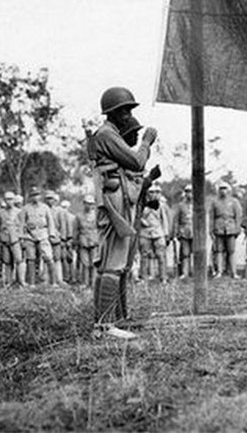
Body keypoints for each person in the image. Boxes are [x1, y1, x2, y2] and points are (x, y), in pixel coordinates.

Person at [90, 86, 157, 325]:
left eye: (130, 110)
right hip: (114, 199)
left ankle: (111, 320)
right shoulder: (107, 134)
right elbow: (137, 162)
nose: (128, 115)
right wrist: (147, 142)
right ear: (112, 112)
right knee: (113, 263)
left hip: (116, 198)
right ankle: (106, 324)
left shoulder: (108, 134)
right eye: (124, 110)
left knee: (113, 263)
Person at [138, 183, 170, 282]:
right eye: (151, 192)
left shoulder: (161, 205)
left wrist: (166, 234)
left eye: (156, 192)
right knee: (144, 256)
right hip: (145, 233)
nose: (154, 194)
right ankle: (143, 278)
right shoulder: (142, 205)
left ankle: (163, 278)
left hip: (158, 232)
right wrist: (142, 221)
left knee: (161, 255)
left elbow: (164, 219)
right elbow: (137, 217)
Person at [210, 182, 242, 278]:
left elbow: (238, 216)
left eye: (225, 188)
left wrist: (237, 228)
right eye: (221, 189)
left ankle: (233, 272)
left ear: (228, 190)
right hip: (218, 228)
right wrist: (211, 229)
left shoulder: (234, 201)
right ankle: (219, 271)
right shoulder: (215, 202)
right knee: (219, 251)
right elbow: (211, 217)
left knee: (231, 251)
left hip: (231, 228)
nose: (223, 191)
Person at [0, 192, 25, 287]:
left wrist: (21, 238)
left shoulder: (19, 212)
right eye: (7, 200)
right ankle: (8, 282)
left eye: (11, 199)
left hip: (15, 239)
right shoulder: (0, 213)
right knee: (7, 261)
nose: (9, 202)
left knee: (19, 260)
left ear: (14, 200)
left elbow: (22, 226)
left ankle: (20, 281)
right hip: (4, 240)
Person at [170, 184, 194, 279]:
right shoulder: (180, 206)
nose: (189, 194)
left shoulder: (198, 205)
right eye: (187, 192)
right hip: (184, 231)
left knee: (196, 253)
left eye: (191, 191)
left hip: (196, 232)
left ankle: (195, 272)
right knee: (185, 253)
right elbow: (176, 220)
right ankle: (185, 272)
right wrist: (175, 233)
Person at [74, 195, 99, 286]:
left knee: (94, 263)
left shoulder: (97, 215)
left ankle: (94, 283)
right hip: (83, 241)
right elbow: (75, 230)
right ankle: (85, 282)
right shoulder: (79, 216)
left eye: (91, 204)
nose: (89, 206)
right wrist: (75, 242)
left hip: (94, 241)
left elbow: (101, 229)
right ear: (84, 204)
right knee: (85, 263)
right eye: (87, 203)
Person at [46, 190, 68, 287]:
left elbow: (63, 225)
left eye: (51, 199)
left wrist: (63, 238)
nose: (50, 201)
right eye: (48, 199)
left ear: (55, 200)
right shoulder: (44, 209)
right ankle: (47, 279)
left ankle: (59, 279)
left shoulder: (60, 211)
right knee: (47, 258)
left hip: (57, 237)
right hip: (45, 237)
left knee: (57, 259)